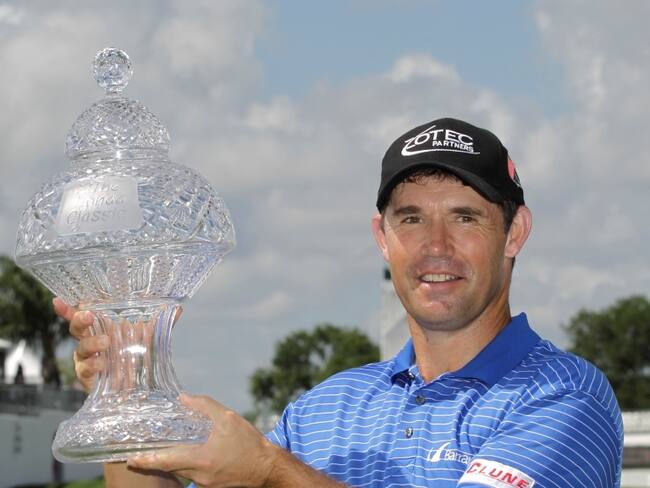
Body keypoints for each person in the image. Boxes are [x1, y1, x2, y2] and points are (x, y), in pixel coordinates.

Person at [55, 117, 623, 487]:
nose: (435, 246)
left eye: (465, 218)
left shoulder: (564, 396)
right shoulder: (323, 410)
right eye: (411, 219)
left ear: (515, 232)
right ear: (382, 237)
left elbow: (269, 472)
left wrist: (270, 472)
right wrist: (125, 397)